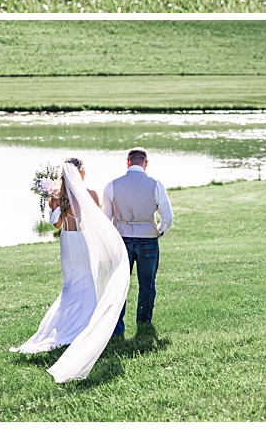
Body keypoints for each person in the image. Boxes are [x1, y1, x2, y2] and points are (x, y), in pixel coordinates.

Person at [12, 159, 130, 382]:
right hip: (83, 243)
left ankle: (64, 327)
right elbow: (95, 222)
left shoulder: (57, 196)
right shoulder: (91, 194)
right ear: (81, 173)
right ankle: (82, 327)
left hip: (67, 243)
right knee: (86, 285)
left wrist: (51, 205)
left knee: (69, 287)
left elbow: (56, 225)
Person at [103, 148, 174, 338]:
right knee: (147, 284)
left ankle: (117, 326)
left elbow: (105, 219)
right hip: (148, 240)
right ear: (146, 163)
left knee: (120, 284)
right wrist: (158, 231)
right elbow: (168, 217)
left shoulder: (112, 185)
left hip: (121, 240)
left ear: (127, 162)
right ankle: (144, 321)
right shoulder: (155, 185)